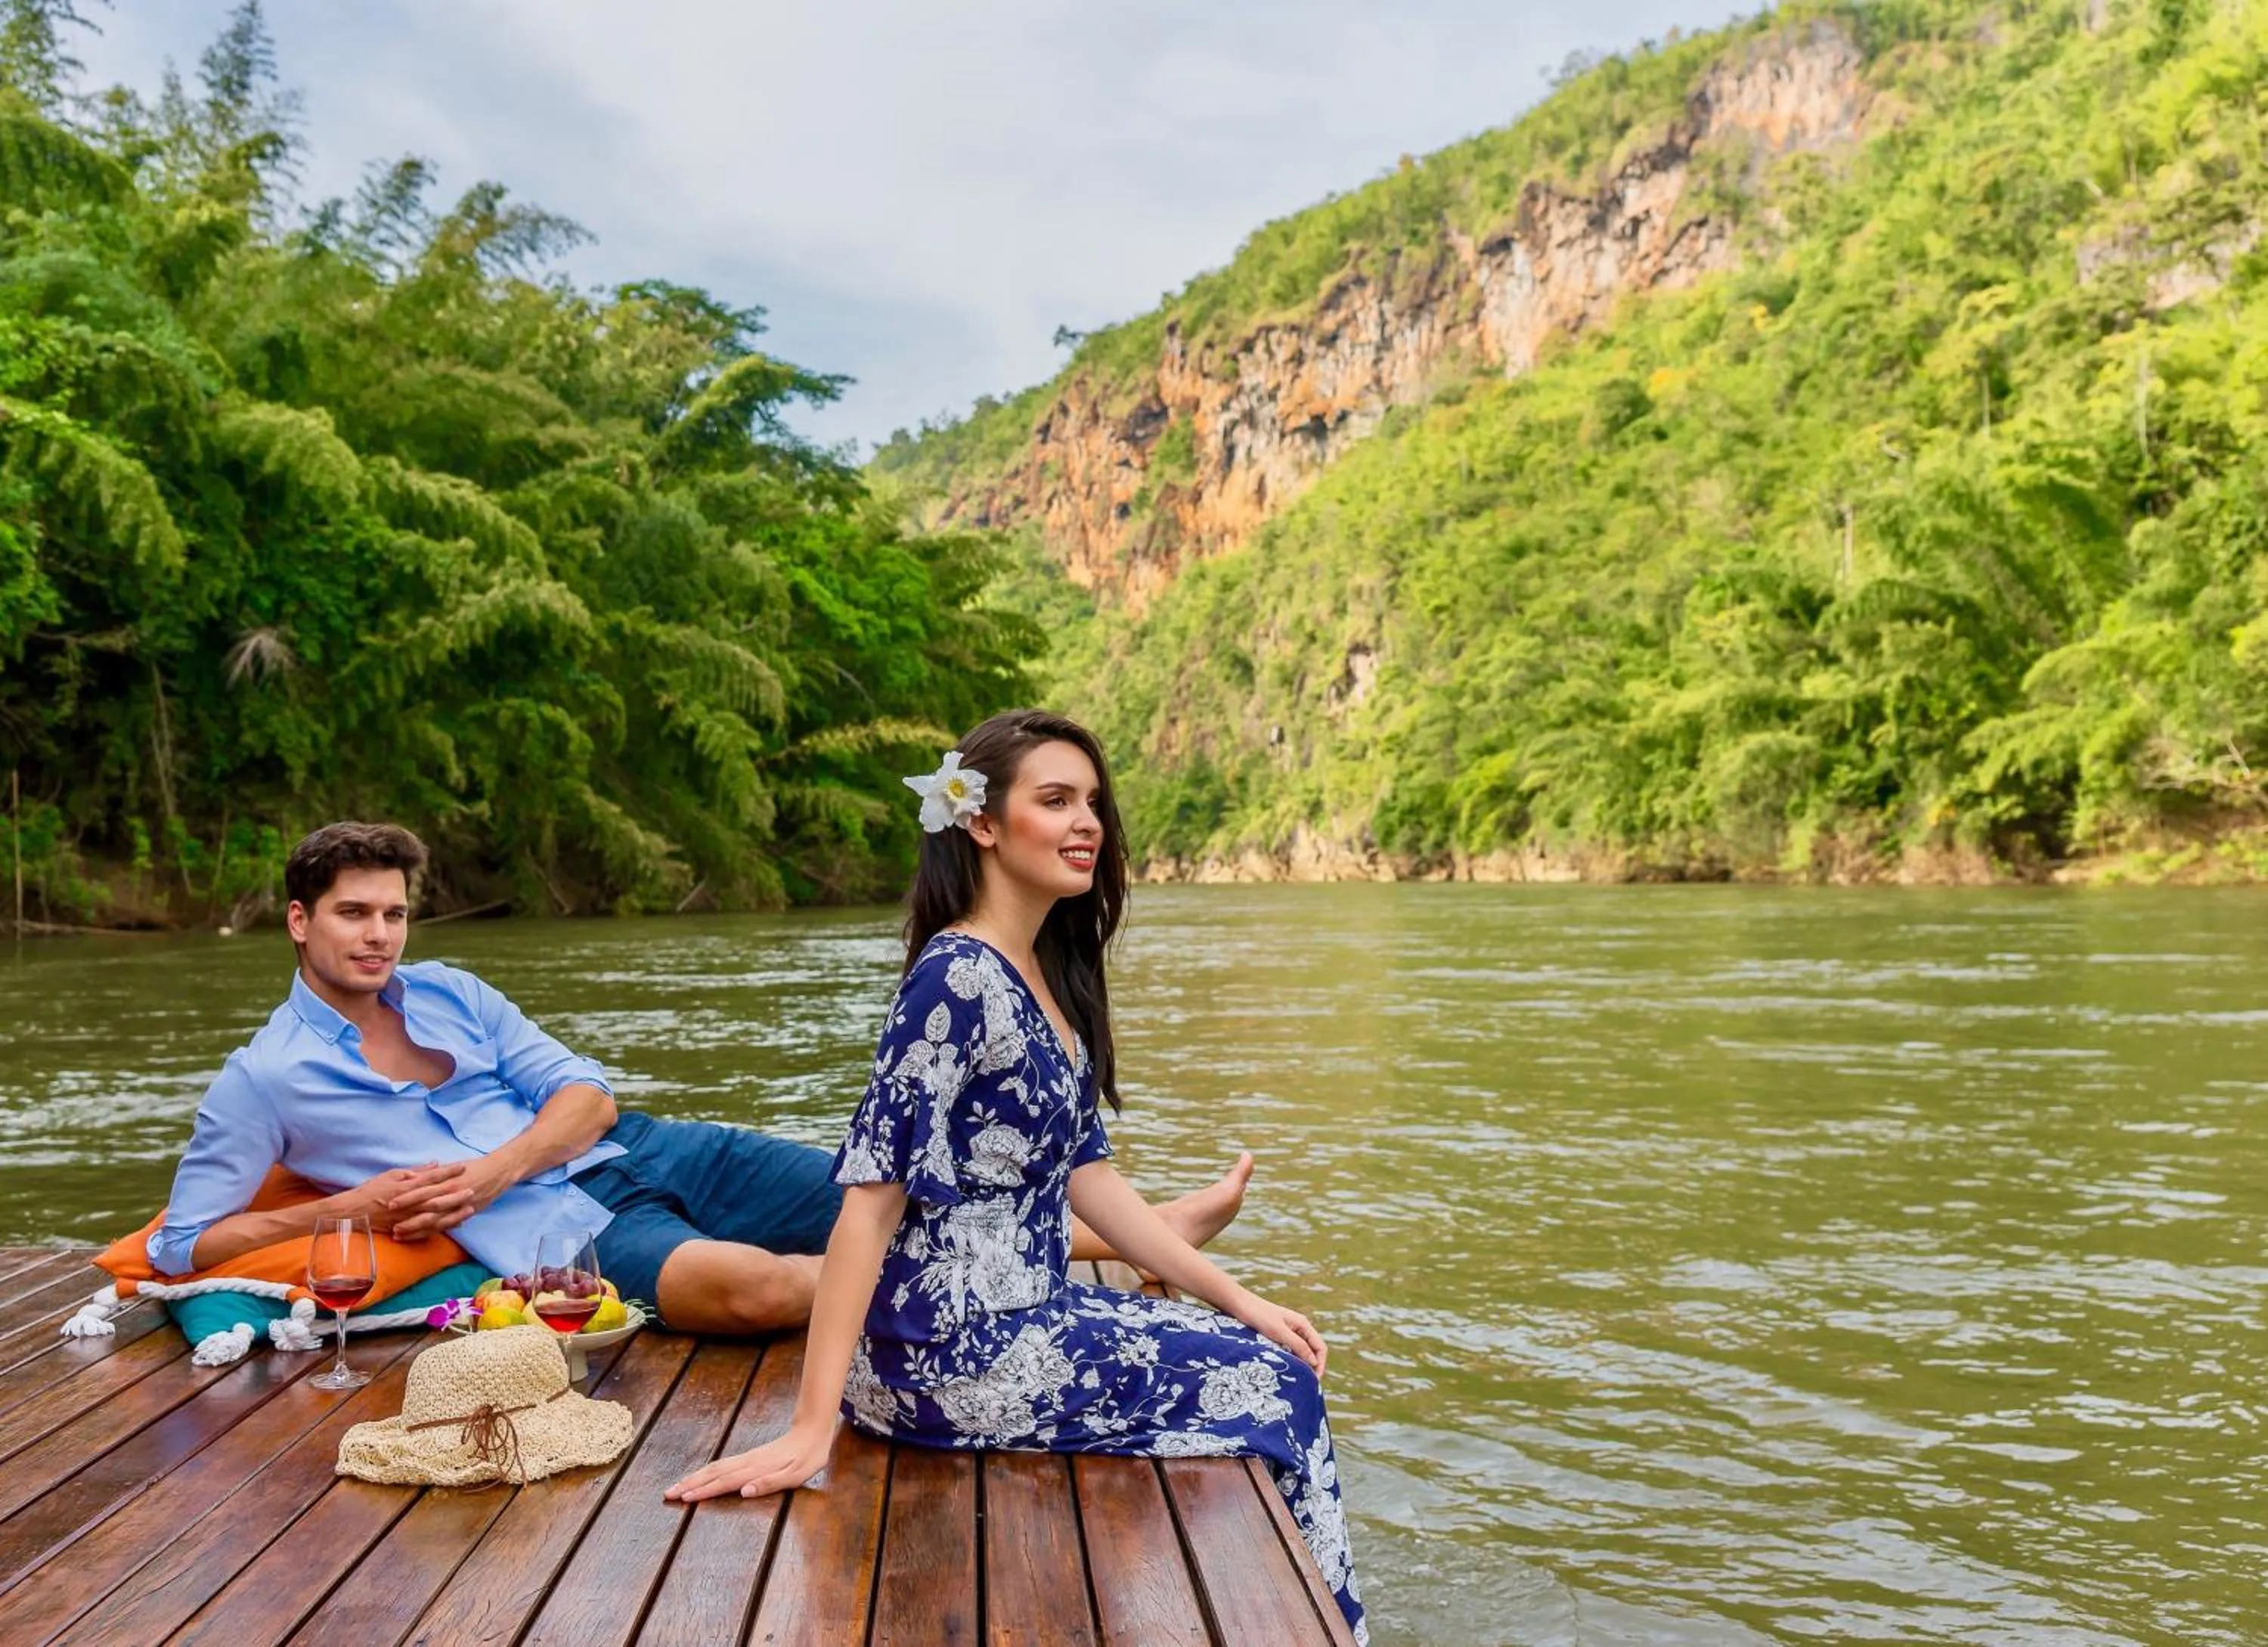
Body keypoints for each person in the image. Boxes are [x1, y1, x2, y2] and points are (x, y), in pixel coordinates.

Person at [664, 710, 1365, 1642]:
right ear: (983, 825)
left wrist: (1243, 1299)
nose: (1088, 824)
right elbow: (868, 1210)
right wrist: (809, 1426)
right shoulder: (954, 979)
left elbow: (1092, 1180)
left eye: (1094, 803)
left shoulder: (1035, 972)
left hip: (1028, 1312)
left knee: (1271, 1356)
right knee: (1279, 1390)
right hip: (946, 1354)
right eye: (1056, 800)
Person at [150, 820, 1255, 1335]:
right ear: (298, 922)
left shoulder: (452, 991)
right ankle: (1047, 1284)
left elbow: (591, 1100)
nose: (380, 934)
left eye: (393, 911)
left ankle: (1133, 1237)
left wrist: (488, 1170)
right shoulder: (265, 1078)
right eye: (353, 913)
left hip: (646, 1150)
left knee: (889, 1196)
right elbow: (183, 1246)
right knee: (763, 1287)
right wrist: (358, 1205)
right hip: (559, 1240)